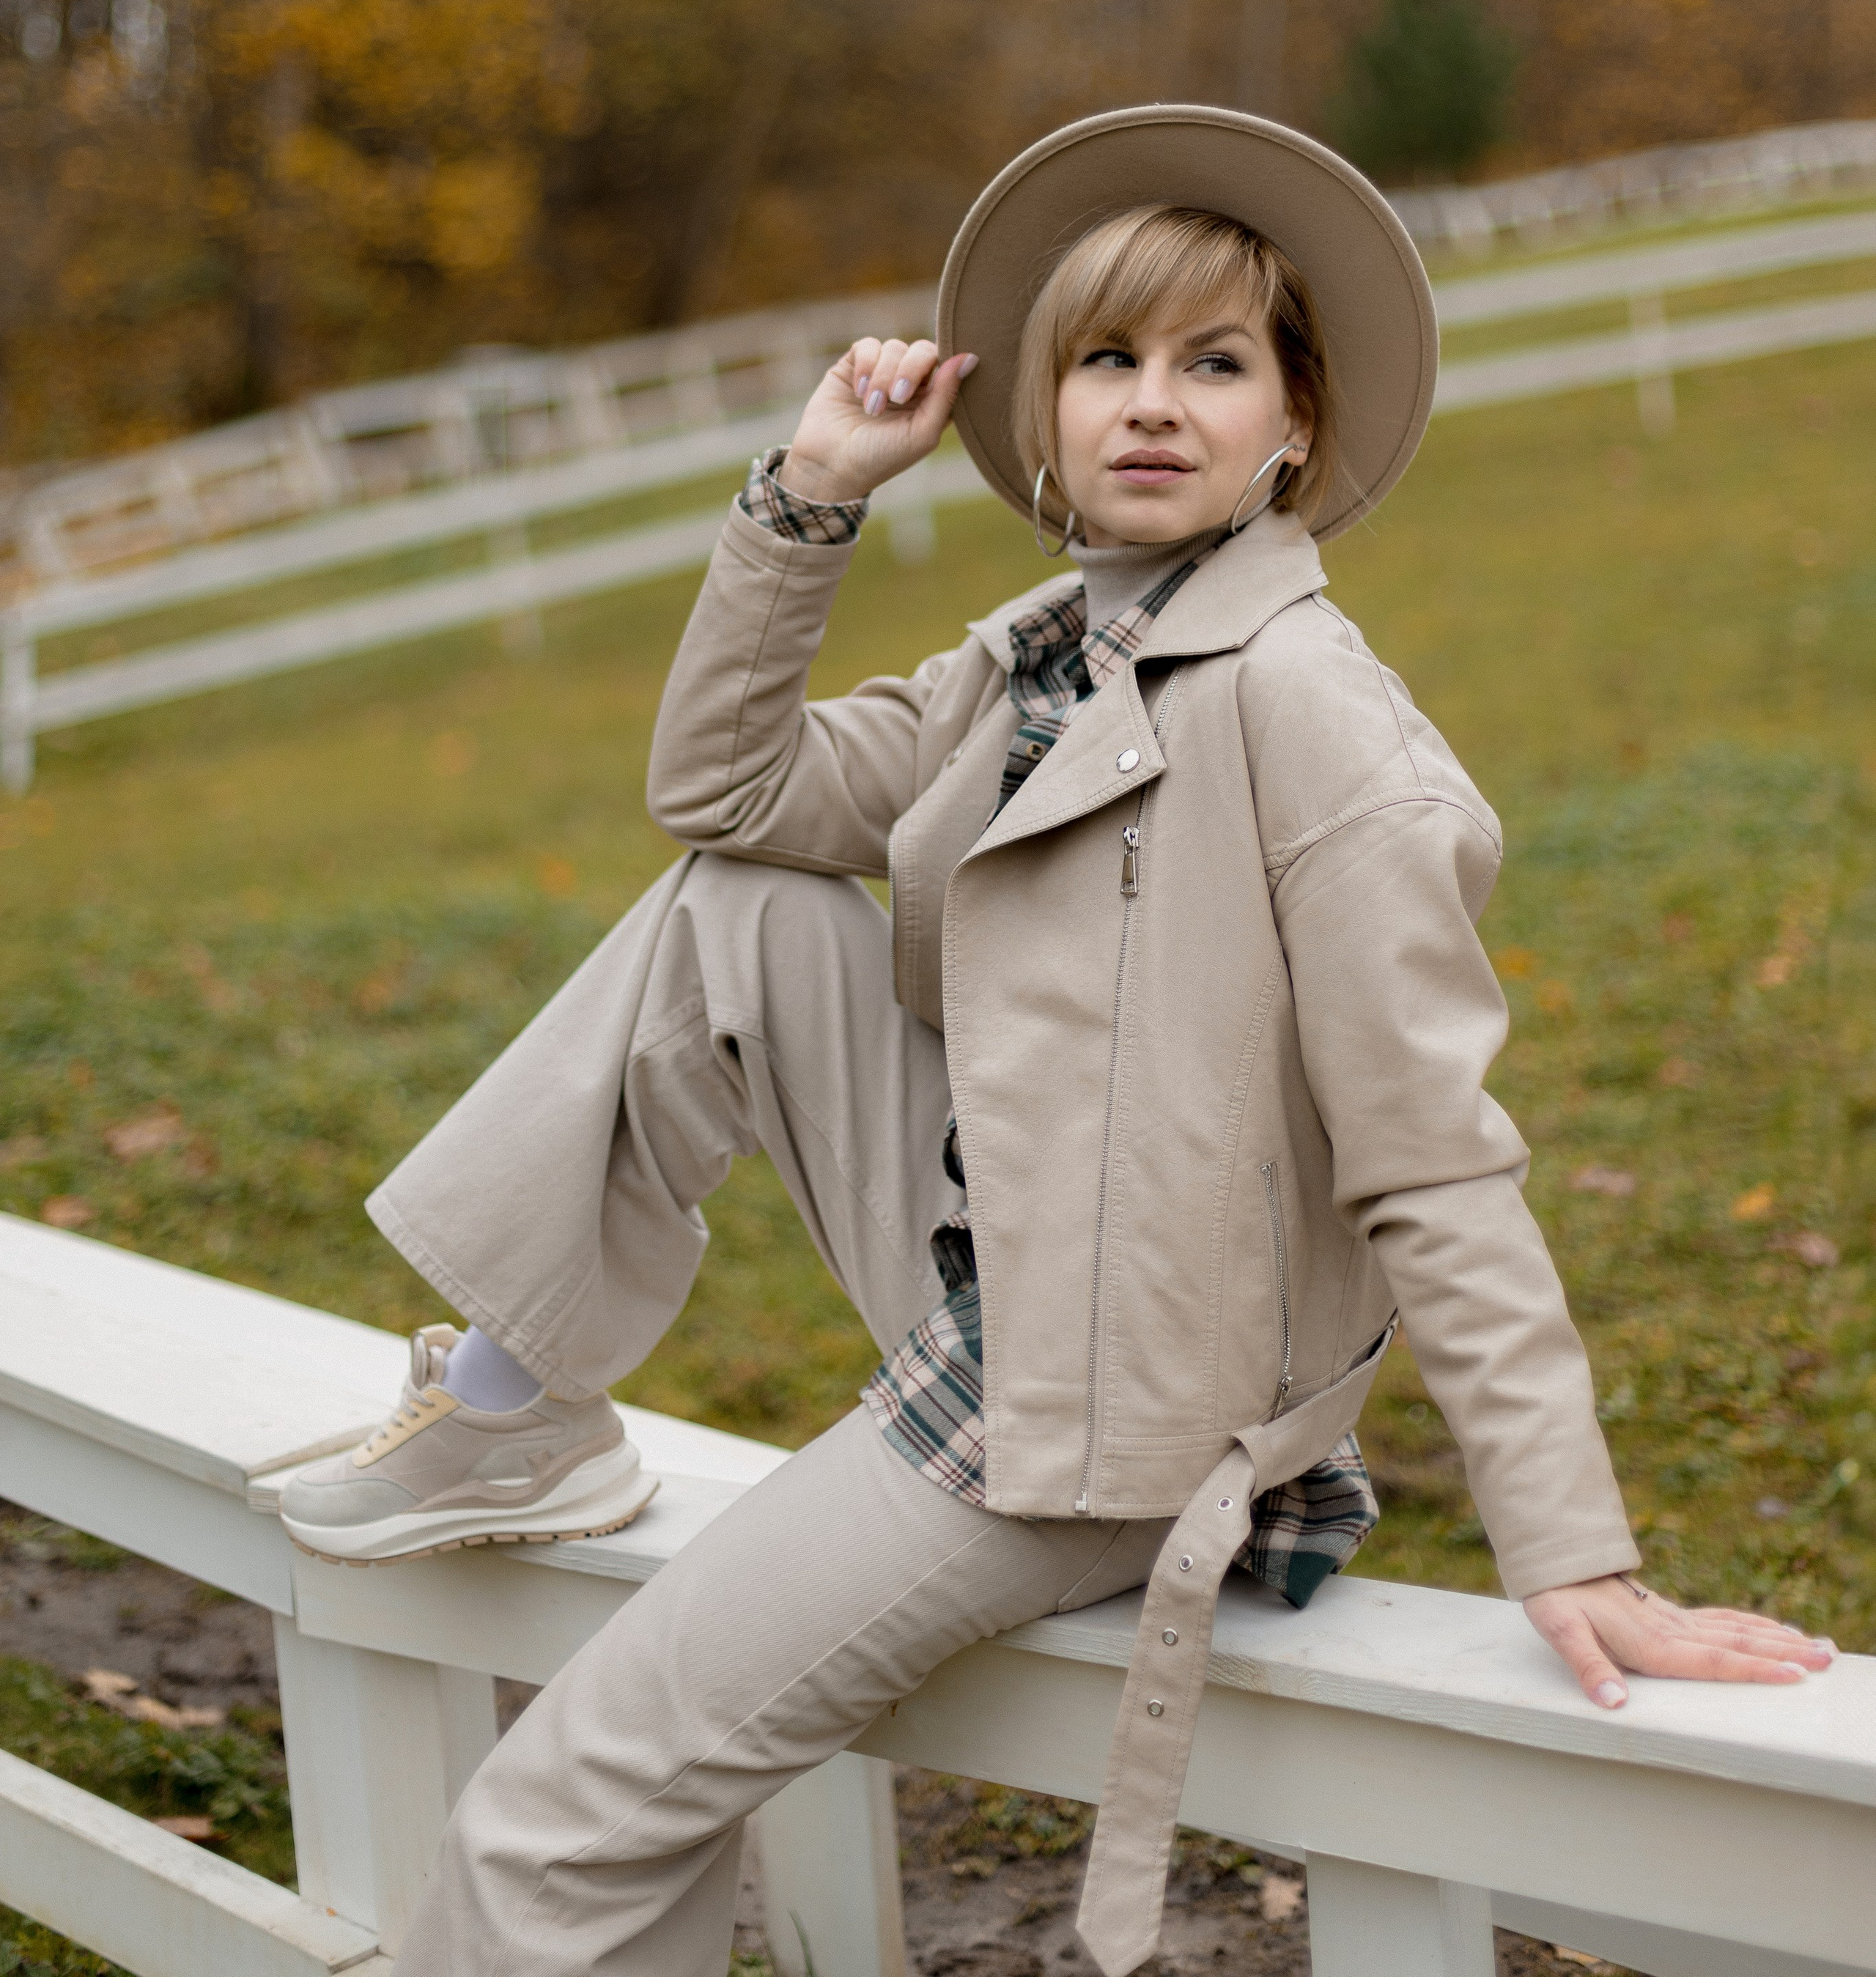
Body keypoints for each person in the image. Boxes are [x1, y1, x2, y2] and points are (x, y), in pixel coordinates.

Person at [279, 106, 1833, 1976]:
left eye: (1211, 361)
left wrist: (1568, 1550)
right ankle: (518, 1412)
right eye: (1105, 360)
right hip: (997, 1249)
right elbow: (723, 787)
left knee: (560, 1813)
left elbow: (1431, 1157)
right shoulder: (1031, 657)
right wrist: (811, 491)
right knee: (737, 908)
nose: (1151, 403)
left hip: (1099, 1423)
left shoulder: (1313, 718)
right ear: (1041, 418)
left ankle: (529, 1475)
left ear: (1294, 429)